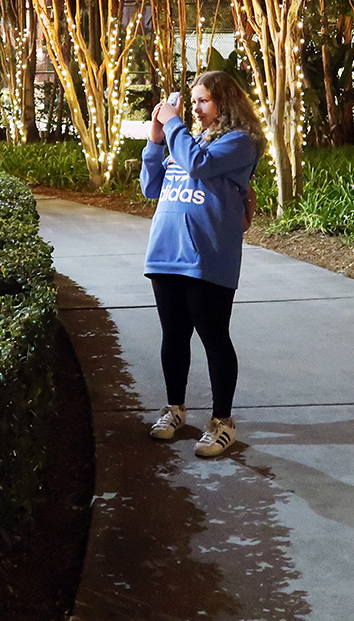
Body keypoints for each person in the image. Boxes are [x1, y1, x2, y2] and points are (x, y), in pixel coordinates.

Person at [139, 70, 266, 457]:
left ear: (224, 102)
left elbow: (196, 165)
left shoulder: (241, 142)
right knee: (173, 337)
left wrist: (172, 123)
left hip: (207, 255)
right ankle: (174, 409)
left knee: (213, 337)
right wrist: (154, 142)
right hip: (166, 252)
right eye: (192, 101)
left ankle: (222, 422)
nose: (194, 108)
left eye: (203, 100)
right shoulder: (188, 140)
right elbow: (151, 187)